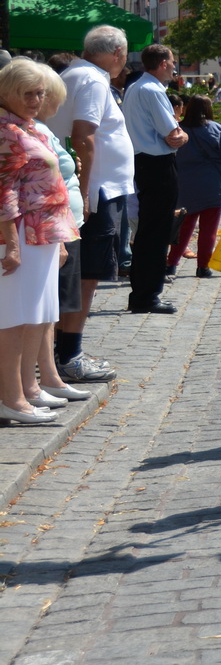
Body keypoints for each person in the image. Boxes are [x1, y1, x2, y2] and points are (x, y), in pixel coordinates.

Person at [48, 26, 132, 381]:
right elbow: (83, 136)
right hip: (96, 192)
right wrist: (84, 191)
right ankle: (69, 354)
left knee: (77, 274)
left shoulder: (76, 74)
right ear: (117, 54)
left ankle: (59, 350)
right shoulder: (93, 80)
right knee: (86, 275)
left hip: (93, 189)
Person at [0, 59, 80, 425]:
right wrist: (11, 244)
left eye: (39, 93)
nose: (35, 100)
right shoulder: (7, 131)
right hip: (20, 233)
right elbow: (4, 191)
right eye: (27, 94)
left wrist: (59, 238)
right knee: (14, 318)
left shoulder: (26, 126)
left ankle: (25, 391)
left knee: (33, 315)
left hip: (41, 232)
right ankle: (12, 398)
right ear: (7, 93)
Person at [121, 45, 188, 315]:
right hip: (157, 163)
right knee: (157, 231)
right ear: (162, 64)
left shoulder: (136, 87)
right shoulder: (152, 90)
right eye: (172, 62)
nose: (174, 67)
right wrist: (183, 135)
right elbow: (173, 134)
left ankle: (143, 292)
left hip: (143, 162)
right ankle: (147, 295)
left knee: (149, 230)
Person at [167, 94, 221, 279]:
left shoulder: (178, 129)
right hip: (212, 186)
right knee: (208, 230)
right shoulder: (217, 129)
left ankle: (171, 263)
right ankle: (203, 267)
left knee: (184, 227)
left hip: (185, 186)